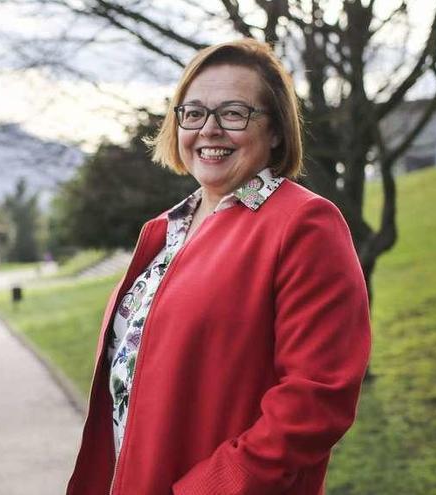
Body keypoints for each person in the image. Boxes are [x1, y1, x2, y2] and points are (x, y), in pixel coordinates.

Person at [66, 38, 372, 495]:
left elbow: (317, 394)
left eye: (234, 113)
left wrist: (212, 486)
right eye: (193, 113)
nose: (209, 129)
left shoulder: (302, 224)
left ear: (274, 131)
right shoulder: (167, 229)